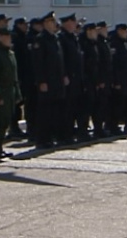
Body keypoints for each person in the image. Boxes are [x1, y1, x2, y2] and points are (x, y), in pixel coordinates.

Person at [32, 12, 67, 149]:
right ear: (46, 23)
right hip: (47, 82)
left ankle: (53, 137)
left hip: (57, 81)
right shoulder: (40, 39)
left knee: (56, 111)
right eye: (52, 22)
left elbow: (59, 61)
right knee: (45, 112)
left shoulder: (55, 39)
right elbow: (38, 63)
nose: (55, 24)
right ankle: (42, 139)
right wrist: (41, 81)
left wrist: (64, 75)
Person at [0, 28, 21, 158]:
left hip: (10, 93)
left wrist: (17, 94)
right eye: (7, 37)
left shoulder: (10, 54)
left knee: (5, 121)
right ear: (0, 38)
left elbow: (15, 76)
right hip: (2, 93)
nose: (10, 39)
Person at [57, 13, 83, 143]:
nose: (75, 25)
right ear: (67, 23)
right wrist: (64, 75)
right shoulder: (62, 38)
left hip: (76, 78)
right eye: (73, 22)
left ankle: (70, 132)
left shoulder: (73, 37)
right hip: (68, 78)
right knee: (66, 108)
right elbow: (62, 59)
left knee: (73, 107)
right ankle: (64, 135)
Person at [78, 23, 100, 139]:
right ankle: (82, 131)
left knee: (93, 105)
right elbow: (83, 64)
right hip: (86, 80)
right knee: (85, 107)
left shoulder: (93, 44)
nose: (96, 33)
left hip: (93, 80)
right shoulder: (84, 44)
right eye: (94, 31)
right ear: (88, 31)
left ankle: (90, 129)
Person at [10, 17, 30, 140]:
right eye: (23, 24)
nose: (25, 27)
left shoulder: (24, 37)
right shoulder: (16, 38)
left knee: (19, 103)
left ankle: (16, 127)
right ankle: (13, 127)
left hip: (23, 75)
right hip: (19, 75)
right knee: (15, 104)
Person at [109, 24, 127, 135]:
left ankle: (117, 125)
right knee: (116, 104)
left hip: (124, 78)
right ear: (119, 31)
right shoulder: (115, 43)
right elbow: (114, 64)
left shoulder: (124, 43)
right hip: (118, 80)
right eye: (125, 31)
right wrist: (116, 81)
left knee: (122, 103)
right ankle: (112, 126)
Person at [95, 21, 113, 138]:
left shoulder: (105, 42)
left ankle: (103, 127)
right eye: (104, 28)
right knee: (99, 106)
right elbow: (98, 63)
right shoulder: (98, 43)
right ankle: (98, 129)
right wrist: (100, 80)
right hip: (101, 79)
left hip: (107, 78)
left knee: (105, 105)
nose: (106, 30)